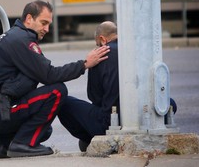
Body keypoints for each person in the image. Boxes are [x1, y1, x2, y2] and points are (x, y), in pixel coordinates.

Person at [0, 0, 110, 158]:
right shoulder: (21, 40)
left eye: (49, 24)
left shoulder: (13, 36)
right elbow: (49, 75)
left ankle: (2, 142)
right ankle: (21, 144)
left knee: (44, 131)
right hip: (0, 112)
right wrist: (85, 64)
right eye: (44, 23)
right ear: (29, 19)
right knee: (57, 92)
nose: (47, 29)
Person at [58, 21, 177, 152]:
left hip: (111, 123)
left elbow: (95, 98)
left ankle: (89, 138)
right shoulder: (139, 51)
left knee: (63, 102)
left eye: (97, 43)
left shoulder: (100, 56)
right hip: (147, 119)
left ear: (102, 39)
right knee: (170, 103)